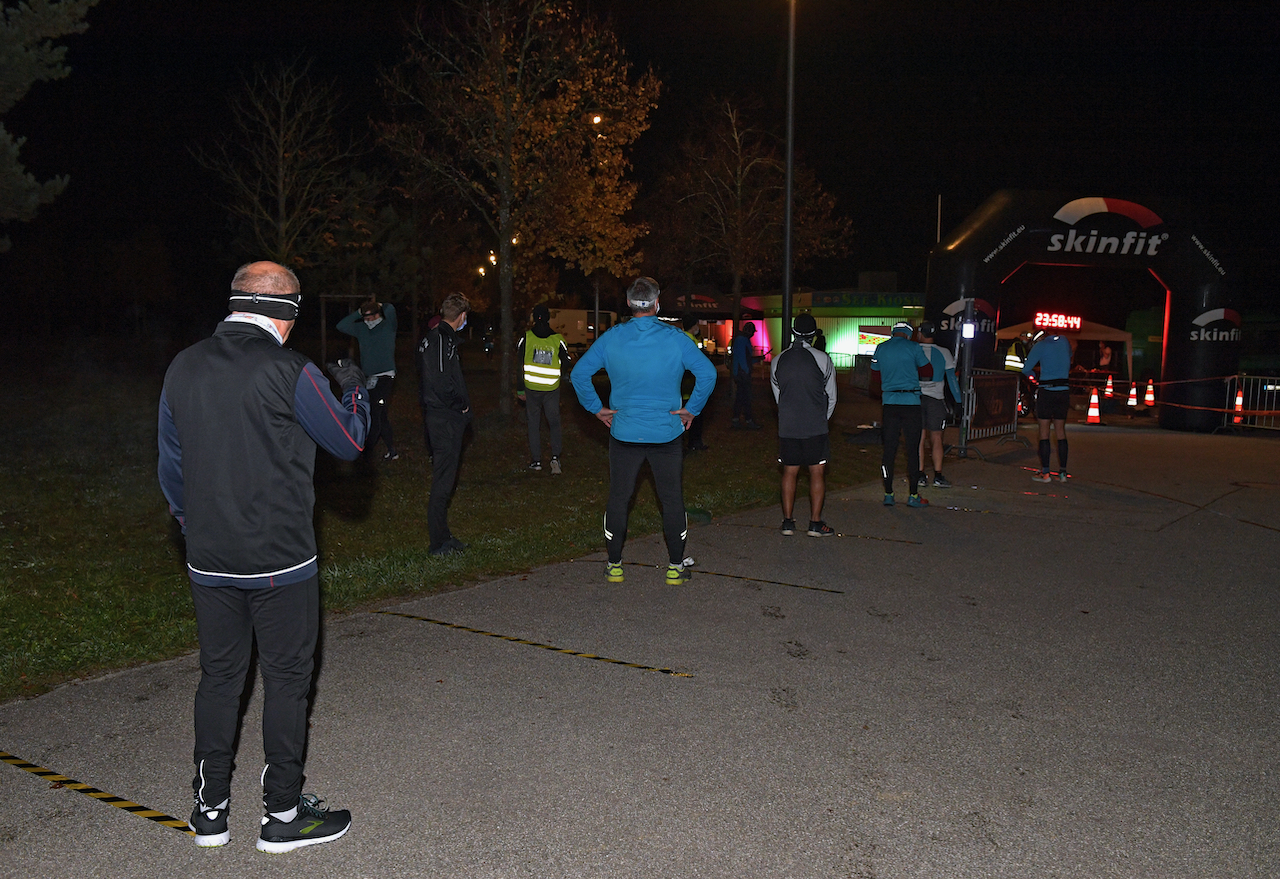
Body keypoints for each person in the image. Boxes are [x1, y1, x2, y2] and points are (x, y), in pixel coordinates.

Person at [158, 261, 367, 853]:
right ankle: (281, 815)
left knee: (220, 678)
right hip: (281, 562)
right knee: (287, 681)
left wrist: (190, 525)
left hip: (208, 558)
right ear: (287, 313)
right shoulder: (290, 369)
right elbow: (349, 441)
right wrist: (354, 388)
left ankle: (209, 812)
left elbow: (170, 465)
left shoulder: (183, 365)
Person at [570, 277, 717, 585]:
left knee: (619, 498)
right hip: (666, 434)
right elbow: (708, 372)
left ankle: (614, 566)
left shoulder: (612, 338)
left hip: (624, 434)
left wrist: (596, 408)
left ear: (628, 303)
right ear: (657, 303)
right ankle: (675, 568)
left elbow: (579, 373)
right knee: (672, 499)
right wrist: (693, 410)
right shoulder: (675, 339)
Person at [770, 313, 837, 537]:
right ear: (813, 333)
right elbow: (831, 395)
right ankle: (815, 524)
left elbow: (778, 396)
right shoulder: (823, 358)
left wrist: (790, 415)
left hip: (788, 425)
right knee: (817, 472)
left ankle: (788, 522)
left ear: (793, 332)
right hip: (815, 425)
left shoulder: (778, 360)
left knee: (789, 472)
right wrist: (821, 418)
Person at [418, 293, 472, 555]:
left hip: (445, 417)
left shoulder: (442, 339)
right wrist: (459, 404)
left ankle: (444, 535)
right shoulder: (439, 340)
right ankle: (438, 543)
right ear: (461, 316)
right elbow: (440, 381)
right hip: (444, 419)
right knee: (442, 481)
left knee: (446, 479)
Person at [870, 321, 931, 507]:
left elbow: (874, 376)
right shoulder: (914, 347)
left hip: (889, 404)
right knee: (912, 450)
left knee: (889, 450)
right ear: (909, 334)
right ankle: (913, 495)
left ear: (893, 332)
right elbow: (928, 371)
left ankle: (888, 493)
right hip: (911, 403)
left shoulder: (881, 348)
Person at [336, 299, 399, 461]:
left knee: (376, 413)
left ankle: (366, 452)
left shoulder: (388, 326)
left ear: (378, 315)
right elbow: (341, 326)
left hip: (385, 376)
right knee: (379, 414)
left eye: (371, 316)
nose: (368, 320)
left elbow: (390, 308)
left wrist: (379, 304)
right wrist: (358, 312)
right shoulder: (362, 328)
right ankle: (392, 450)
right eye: (365, 317)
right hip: (369, 378)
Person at [516, 304, 570, 474]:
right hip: (551, 389)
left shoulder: (526, 338)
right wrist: (560, 375)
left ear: (534, 317)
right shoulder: (557, 339)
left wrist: (520, 390)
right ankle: (555, 459)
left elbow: (519, 365)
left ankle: (537, 461)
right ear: (548, 318)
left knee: (533, 424)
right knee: (553, 423)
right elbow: (567, 361)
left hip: (531, 389)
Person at [1022, 331, 1073, 482]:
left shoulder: (1041, 346)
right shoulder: (1064, 342)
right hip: (1063, 391)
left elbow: (1026, 369)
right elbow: (1069, 356)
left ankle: (1045, 473)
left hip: (1047, 391)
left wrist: (1034, 378)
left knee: (1044, 431)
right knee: (1060, 431)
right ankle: (1063, 472)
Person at [916, 321, 962, 489]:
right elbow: (952, 379)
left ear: (920, 333)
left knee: (918, 438)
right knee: (936, 438)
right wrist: (958, 402)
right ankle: (938, 475)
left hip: (916, 399)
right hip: (936, 400)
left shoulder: (913, 351)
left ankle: (920, 475)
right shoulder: (944, 352)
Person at [681, 314, 710, 452]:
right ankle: (694, 443)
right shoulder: (690, 342)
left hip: (681, 387)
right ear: (694, 326)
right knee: (695, 416)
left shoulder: (680, 338)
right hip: (691, 386)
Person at [730, 321, 762, 429]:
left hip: (741, 373)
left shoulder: (741, 339)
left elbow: (743, 358)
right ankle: (748, 420)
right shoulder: (743, 340)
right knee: (746, 397)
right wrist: (747, 370)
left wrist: (755, 360)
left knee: (741, 397)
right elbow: (742, 359)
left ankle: (737, 419)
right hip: (742, 374)